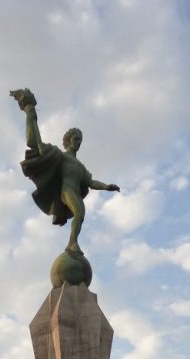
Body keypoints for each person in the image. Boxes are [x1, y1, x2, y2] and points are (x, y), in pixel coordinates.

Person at [10, 88, 120, 254]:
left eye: (80, 140)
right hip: (66, 190)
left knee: (81, 215)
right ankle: (72, 244)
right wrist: (30, 114)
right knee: (79, 213)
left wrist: (106, 187)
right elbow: (37, 143)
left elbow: (90, 182)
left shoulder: (80, 166)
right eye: (76, 139)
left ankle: (72, 244)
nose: (78, 143)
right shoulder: (60, 156)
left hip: (75, 191)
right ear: (68, 141)